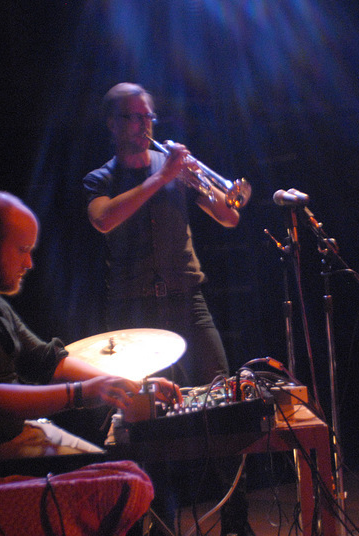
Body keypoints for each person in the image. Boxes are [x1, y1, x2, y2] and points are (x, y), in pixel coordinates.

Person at [0, 191, 179, 485]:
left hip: (8, 445)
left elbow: (50, 362)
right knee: (119, 484)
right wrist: (83, 392)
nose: (29, 263)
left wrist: (134, 386)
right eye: (22, 249)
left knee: (125, 475)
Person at [83, 83, 247, 536]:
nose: (142, 126)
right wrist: (163, 178)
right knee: (147, 425)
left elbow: (230, 218)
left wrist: (208, 184)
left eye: (148, 117)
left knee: (223, 402)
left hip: (188, 303)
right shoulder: (102, 179)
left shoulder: (176, 171)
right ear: (112, 125)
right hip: (134, 313)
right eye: (132, 118)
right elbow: (104, 219)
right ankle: (156, 524)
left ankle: (237, 520)